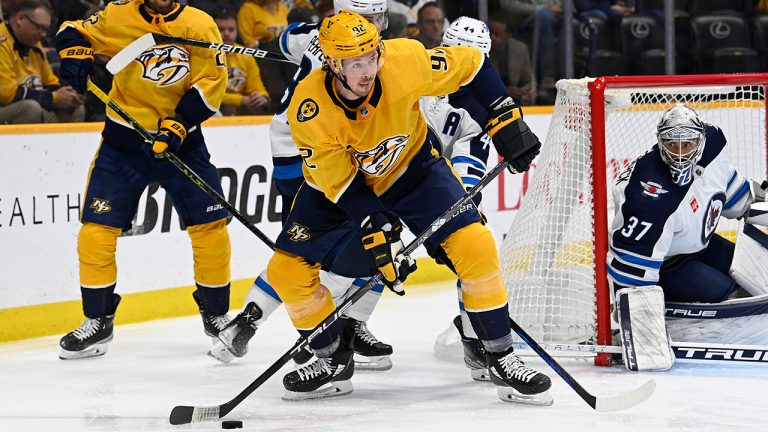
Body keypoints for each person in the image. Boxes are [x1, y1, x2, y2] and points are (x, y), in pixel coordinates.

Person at [268, 10, 551, 405]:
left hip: (413, 172)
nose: (368, 70)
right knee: (286, 271)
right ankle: (331, 358)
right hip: (338, 189)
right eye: (355, 63)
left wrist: (504, 118)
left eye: (372, 58)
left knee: (477, 247)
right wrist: (373, 223)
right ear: (333, 64)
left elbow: (472, 65)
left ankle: (501, 355)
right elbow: (341, 182)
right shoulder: (310, 109)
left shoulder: (404, 61)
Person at [208, 0, 396, 372]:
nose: (376, 25)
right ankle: (322, 336)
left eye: (379, 18)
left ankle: (247, 322)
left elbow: (286, 39)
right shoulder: (371, 60)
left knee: (302, 245)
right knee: (345, 244)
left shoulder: (314, 37)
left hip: (288, 151)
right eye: (368, 19)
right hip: (322, 157)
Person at [55, 0, 233, 359]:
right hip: (124, 142)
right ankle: (97, 321)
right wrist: (74, 53)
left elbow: (213, 82)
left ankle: (217, 315)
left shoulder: (199, 25)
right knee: (96, 231)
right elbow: (72, 29)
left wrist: (180, 123)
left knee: (210, 225)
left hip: (181, 143)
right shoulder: (119, 13)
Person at [608, 105, 767, 370]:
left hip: (698, 244)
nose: (680, 153)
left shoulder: (714, 144)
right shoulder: (649, 197)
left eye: (688, 144)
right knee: (729, 292)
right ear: (660, 142)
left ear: (701, 139)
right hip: (667, 265)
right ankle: (682, 321)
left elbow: (733, 195)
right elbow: (629, 276)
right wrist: (641, 326)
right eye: (672, 144)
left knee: (757, 271)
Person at [419, 16, 495, 382]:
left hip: (436, 185)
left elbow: (470, 154)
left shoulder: (482, 103)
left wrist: (465, 194)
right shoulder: (415, 70)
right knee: (364, 252)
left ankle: (473, 336)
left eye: (472, 57)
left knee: (473, 253)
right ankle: (345, 331)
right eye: (454, 53)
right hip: (389, 174)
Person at [0, 0, 84, 124]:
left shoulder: (34, 44)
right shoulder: (2, 43)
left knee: (75, 109)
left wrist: (68, 94)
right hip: (7, 108)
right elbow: (7, 95)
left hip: (35, 105)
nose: (43, 34)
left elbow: (49, 82)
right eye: (39, 28)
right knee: (30, 109)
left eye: (46, 29)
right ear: (20, 19)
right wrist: (54, 97)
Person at [212, 7, 271, 116]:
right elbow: (207, 94)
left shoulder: (245, 55)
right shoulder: (203, 54)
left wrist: (261, 97)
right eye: (221, 29)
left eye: (231, 29)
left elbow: (257, 87)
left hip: (237, 111)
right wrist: (241, 100)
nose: (226, 34)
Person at [488, 17, 536, 106]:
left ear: (508, 35)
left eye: (497, 34)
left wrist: (527, 90)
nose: (492, 38)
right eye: (490, 33)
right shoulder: (483, 50)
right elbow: (484, 84)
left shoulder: (520, 49)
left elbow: (529, 78)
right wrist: (505, 91)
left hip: (516, 100)